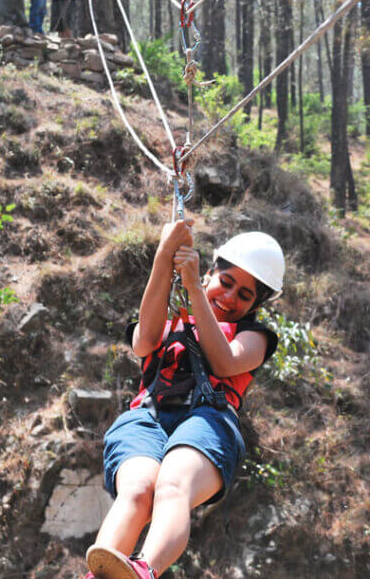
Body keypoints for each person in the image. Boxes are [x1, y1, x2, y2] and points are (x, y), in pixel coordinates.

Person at [84, 221, 284, 579]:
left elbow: (224, 361)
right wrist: (164, 256)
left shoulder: (254, 337)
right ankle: (100, 574)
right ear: (210, 273)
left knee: (173, 484)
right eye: (226, 282)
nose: (230, 297)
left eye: (244, 295)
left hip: (208, 421)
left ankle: (145, 568)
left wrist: (193, 288)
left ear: (256, 305)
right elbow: (143, 343)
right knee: (139, 489)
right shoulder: (168, 318)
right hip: (147, 417)